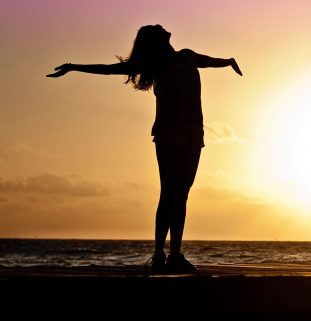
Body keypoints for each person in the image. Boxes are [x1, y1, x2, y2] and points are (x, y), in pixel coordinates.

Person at [47, 24, 243, 271]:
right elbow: (109, 70)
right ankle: (160, 253)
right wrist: (74, 67)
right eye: (156, 29)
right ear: (156, 41)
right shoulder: (155, 65)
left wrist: (229, 61)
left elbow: (210, 61)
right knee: (170, 192)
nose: (162, 26)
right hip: (168, 133)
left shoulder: (187, 56)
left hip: (194, 134)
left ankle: (174, 254)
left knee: (181, 194)